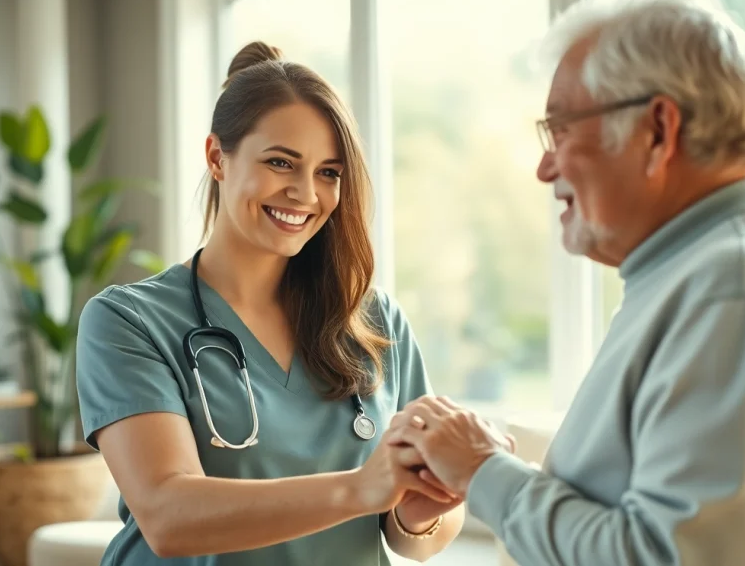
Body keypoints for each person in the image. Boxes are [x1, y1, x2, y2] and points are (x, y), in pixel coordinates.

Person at [385, 0, 745, 565]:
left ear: (658, 131)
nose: (545, 167)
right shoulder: (697, 278)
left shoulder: (734, 294)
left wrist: (484, 473)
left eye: (560, 130)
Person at [74, 41, 470, 566]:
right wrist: (361, 488)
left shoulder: (373, 322)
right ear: (218, 157)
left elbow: (415, 533)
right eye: (282, 163)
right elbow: (167, 514)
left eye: (329, 172)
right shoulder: (129, 321)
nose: (305, 194)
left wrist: (420, 510)